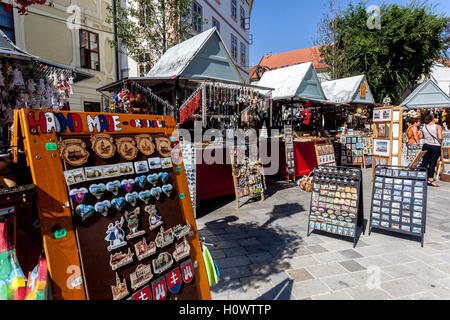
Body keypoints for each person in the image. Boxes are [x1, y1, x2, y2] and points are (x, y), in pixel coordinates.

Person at [420, 114, 443, 187]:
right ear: (433, 119)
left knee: (425, 162)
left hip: (426, 145)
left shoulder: (424, 127)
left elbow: (420, 136)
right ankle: (431, 179)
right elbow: (440, 137)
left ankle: (423, 177)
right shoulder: (437, 126)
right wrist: (440, 142)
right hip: (435, 146)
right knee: (432, 163)